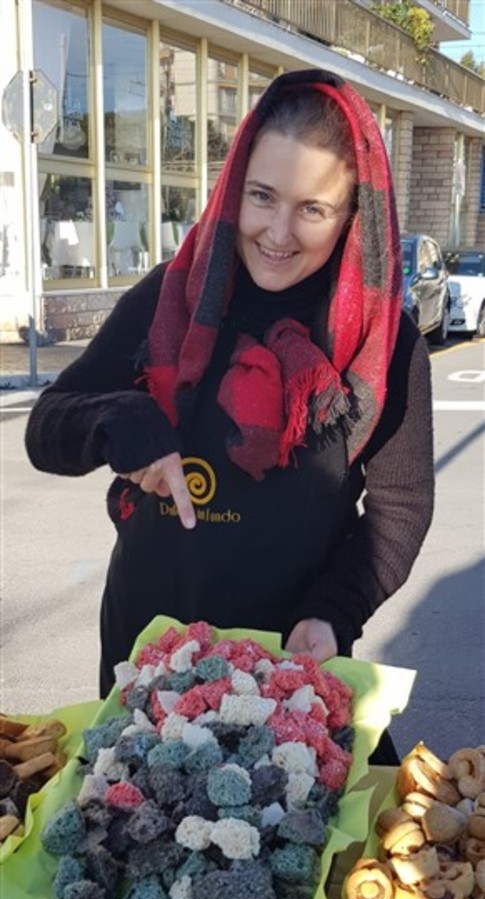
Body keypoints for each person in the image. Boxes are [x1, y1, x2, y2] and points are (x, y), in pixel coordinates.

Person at [25, 68, 434, 764]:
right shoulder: (167, 297)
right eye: (261, 197)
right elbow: (47, 430)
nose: (277, 232)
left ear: (351, 216)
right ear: (231, 189)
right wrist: (120, 419)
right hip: (145, 664)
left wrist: (334, 612)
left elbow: (399, 507)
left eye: (312, 208)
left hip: (295, 674)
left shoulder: (382, 343)